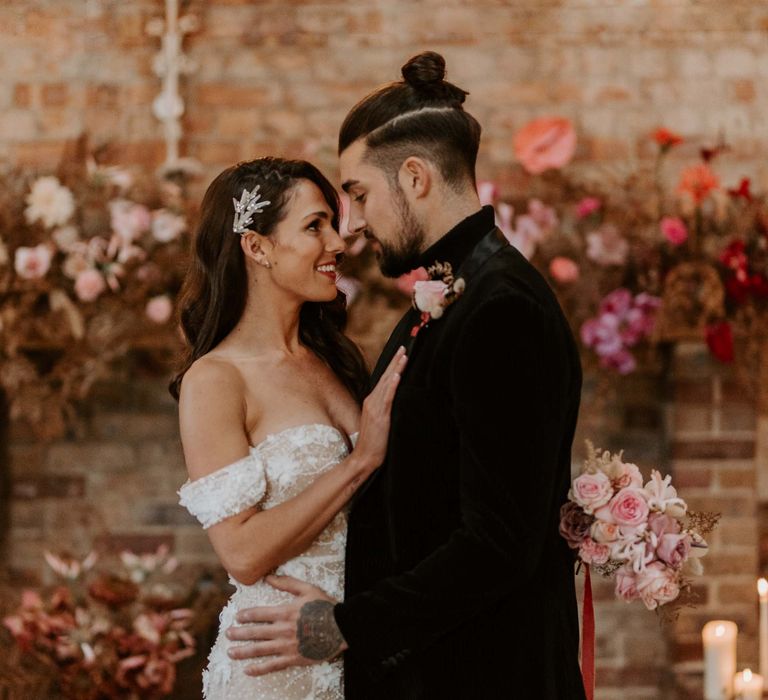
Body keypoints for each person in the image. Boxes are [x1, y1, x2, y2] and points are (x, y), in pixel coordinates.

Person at [228, 52, 587, 699]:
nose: (354, 223)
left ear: (415, 178)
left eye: (359, 194)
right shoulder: (455, 290)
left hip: (487, 679)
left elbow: (498, 545)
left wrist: (343, 625)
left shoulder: (503, 308)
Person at [171, 157, 407, 699]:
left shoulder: (334, 360)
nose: (339, 242)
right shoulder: (216, 379)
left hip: (356, 644)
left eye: (334, 222)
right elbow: (243, 553)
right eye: (314, 226)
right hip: (276, 664)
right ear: (257, 247)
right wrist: (359, 462)